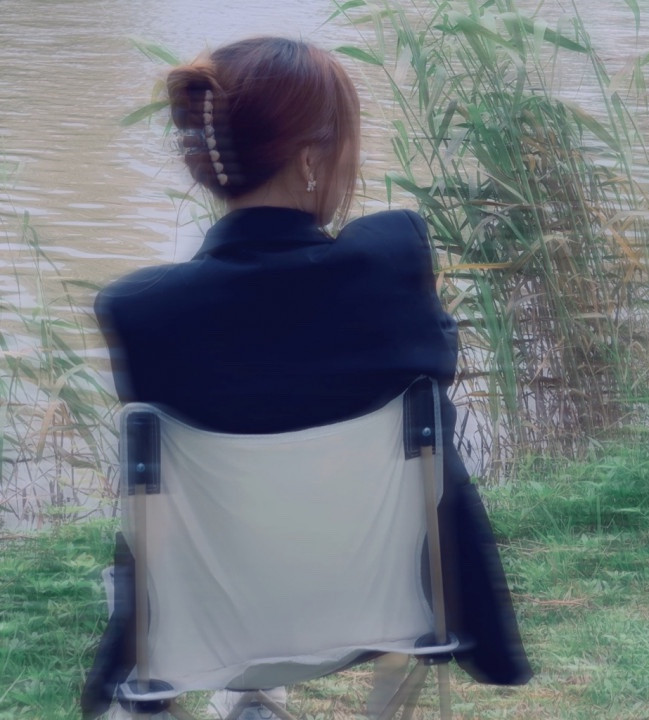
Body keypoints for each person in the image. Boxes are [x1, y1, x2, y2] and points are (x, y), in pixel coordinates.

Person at [81, 37, 531, 720]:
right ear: (312, 157)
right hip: (391, 611)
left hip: (203, 633)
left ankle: (249, 694)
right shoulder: (391, 262)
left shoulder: (140, 312)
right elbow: (438, 357)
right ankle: (256, 699)